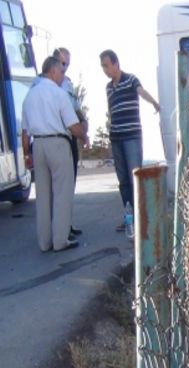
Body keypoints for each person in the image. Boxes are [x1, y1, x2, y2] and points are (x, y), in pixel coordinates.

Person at [21, 56, 88, 252]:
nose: (62, 76)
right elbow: (71, 124)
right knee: (62, 192)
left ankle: (44, 242)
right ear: (52, 72)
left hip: (38, 145)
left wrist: (27, 155)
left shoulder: (29, 96)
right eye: (61, 72)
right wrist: (83, 136)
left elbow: (24, 132)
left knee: (42, 195)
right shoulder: (58, 94)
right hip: (58, 143)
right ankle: (60, 240)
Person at [100, 49, 160, 231]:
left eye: (106, 65)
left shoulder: (131, 80)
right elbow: (111, 111)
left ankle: (142, 218)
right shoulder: (109, 88)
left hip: (131, 137)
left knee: (135, 177)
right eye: (102, 66)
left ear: (116, 63)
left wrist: (154, 103)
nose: (105, 70)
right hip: (116, 137)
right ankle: (129, 217)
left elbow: (141, 92)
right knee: (123, 180)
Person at [53, 47, 87, 236]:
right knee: (56, 186)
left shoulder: (67, 84)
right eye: (63, 63)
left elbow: (75, 107)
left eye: (68, 64)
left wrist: (83, 122)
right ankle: (58, 228)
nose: (65, 68)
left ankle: (67, 224)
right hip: (56, 136)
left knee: (69, 183)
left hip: (70, 136)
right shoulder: (45, 84)